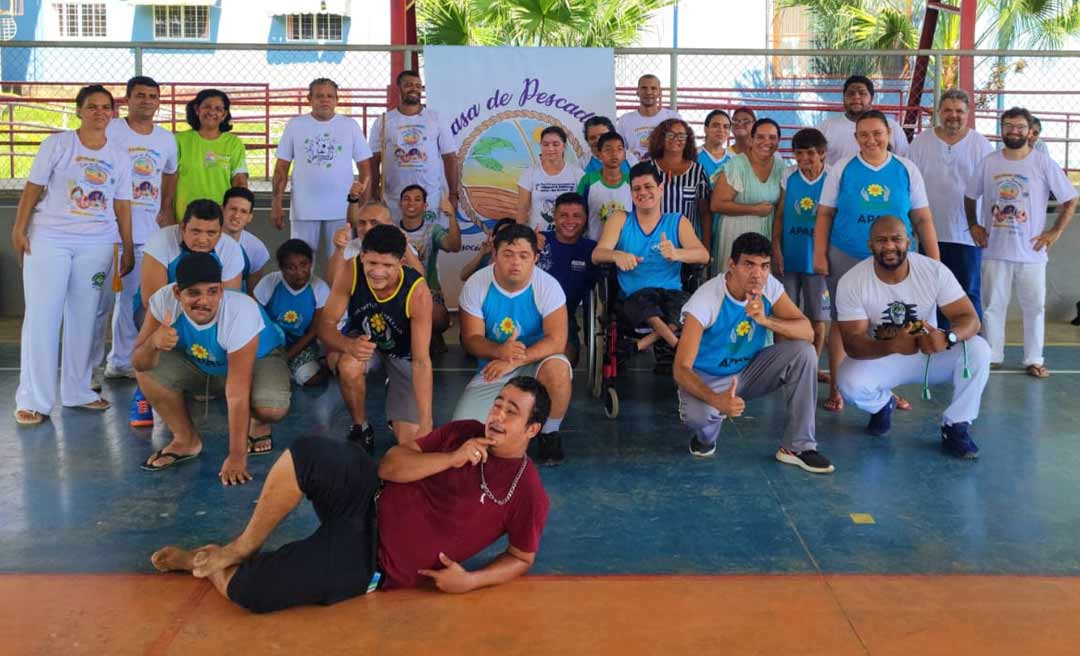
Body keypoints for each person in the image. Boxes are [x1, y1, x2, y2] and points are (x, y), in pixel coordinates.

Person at [149, 376, 551, 614]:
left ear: (532, 430)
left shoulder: (527, 492)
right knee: (310, 451)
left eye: (511, 411)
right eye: (497, 404)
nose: (496, 416)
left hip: (370, 559)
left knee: (250, 594)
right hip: (368, 493)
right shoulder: (463, 433)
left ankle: (206, 560)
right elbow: (391, 466)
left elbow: (521, 557)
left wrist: (472, 581)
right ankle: (241, 546)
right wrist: (450, 459)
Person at [12, 84, 134, 425]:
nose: (99, 112)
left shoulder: (119, 155)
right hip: (49, 239)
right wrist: (18, 229)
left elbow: (122, 203)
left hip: (96, 243)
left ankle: (78, 390)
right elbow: (33, 188)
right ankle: (33, 399)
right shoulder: (58, 145)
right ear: (78, 110)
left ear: (113, 113)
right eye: (92, 106)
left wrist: (127, 245)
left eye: (106, 107)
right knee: (43, 316)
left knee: (85, 315)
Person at [675, 232, 834, 473]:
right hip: (708, 378)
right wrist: (717, 400)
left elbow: (807, 332)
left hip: (749, 371)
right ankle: (706, 437)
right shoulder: (706, 299)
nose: (757, 274)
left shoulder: (769, 286)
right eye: (748, 264)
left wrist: (766, 320)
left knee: (804, 352)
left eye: (764, 266)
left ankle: (798, 446)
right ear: (731, 265)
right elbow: (681, 368)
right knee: (699, 418)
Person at [813, 109, 939, 413]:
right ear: (855, 138)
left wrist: (935, 261)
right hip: (846, 254)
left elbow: (921, 217)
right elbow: (825, 214)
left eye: (877, 133)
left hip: (892, 261)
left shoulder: (906, 169)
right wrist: (819, 253)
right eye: (864, 134)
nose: (871, 139)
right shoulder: (841, 169)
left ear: (889, 134)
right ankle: (838, 387)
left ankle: (883, 391)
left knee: (889, 324)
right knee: (845, 325)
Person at [835, 216, 990, 459]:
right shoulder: (852, 281)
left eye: (896, 239)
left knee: (979, 349)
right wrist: (892, 345)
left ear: (908, 241)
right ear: (870, 245)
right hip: (887, 354)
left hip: (931, 352)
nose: (889, 246)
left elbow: (970, 319)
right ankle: (882, 405)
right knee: (848, 381)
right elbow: (853, 343)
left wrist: (947, 337)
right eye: (881, 240)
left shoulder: (933, 270)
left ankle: (956, 426)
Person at [134, 253, 290, 481]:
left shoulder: (240, 311)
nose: (204, 301)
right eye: (193, 293)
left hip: (259, 359)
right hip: (209, 364)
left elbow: (237, 392)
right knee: (149, 367)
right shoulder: (163, 301)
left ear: (221, 290)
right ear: (177, 292)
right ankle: (185, 439)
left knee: (271, 408)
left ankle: (257, 420)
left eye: (212, 291)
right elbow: (138, 362)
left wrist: (237, 456)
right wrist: (153, 343)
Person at [965, 107, 1078, 378]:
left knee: (1034, 308)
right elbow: (969, 196)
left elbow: (1070, 199)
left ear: (1030, 131)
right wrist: (973, 225)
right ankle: (992, 356)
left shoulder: (1042, 163)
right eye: (1008, 126)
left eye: (1019, 126)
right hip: (994, 250)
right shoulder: (989, 162)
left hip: (1032, 252)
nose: (1013, 131)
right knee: (993, 306)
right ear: (1001, 129)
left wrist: (1054, 233)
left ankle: (1033, 359)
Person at [454, 224, 571, 466]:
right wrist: (500, 352)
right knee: (462, 435)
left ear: (535, 258)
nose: (515, 262)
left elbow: (558, 341)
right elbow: (470, 340)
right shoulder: (477, 284)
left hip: (536, 363)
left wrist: (516, 359)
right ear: (494, 255)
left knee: (559, 369)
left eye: (524, 255)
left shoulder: (548, 286)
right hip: (493, 368)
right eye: (508, 254)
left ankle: (549, 432)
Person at [129, 199, 246, 427]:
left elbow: (229, 302)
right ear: (182, 228)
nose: (203, 239)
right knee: (150, 338)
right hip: (165, 311)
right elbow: (151, 299)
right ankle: (143, 391)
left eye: (211, 233)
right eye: (195, 231)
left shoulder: (231, 249)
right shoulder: (160, 241)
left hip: (205, 313)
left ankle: (203, 377)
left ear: (220, 232)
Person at [319, 224, 434, 451]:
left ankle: (398, 392)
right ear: (362, 256)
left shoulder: (417, 291)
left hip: (404, 354)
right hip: (364, 342)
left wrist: (426, 420)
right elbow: (325, 325)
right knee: (348, 365)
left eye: (387, 265)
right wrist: (348, 344)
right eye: (372, 263)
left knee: (412, 442)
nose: (377, 272)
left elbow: (422, 361)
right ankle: (360, 426)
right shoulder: (351, 270)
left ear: (401, 261)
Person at [100, 76, 178, 381]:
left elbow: (171, 173)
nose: (147, 101)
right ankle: (91, 369)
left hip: (147, 232)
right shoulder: (111, 129)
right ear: (127, 99)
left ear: (158, 102)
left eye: (152, 96)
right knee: (99, 303)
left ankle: (123, 360)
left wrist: (166, 206)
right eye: (140, 95)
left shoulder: (165, 138)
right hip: (107, 229)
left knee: (133, 298)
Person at [592, 162, 709, 361]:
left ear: (661, 189)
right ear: (631, 193)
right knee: (645, 305)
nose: (643, 193)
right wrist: (616, 255)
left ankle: (641, 344)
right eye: (637, 188)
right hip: (634, 295)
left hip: (671, 292)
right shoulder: (620, 219)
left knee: (688, 309)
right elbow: (597, 254)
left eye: (649, 187)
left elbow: (703, 255)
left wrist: (677, 253)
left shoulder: (677, 221)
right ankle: (679, 349)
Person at [909, 89, 993, 327]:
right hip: (929, 234)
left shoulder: (980, 144)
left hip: (967, 235)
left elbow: (989, 190)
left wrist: (981, 225)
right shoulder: (921, 142)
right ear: (939, 112)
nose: (953, 115)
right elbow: (909, 185)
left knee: (968, 292)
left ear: (968, 113)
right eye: (947, 110)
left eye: (959, 111)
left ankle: (971, 348)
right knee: (931, 292)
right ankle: (935, 347)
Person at [271, 78, 372, 261]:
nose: (325, 100)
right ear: (309, 99)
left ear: (337, 100)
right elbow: (281, 169)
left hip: (343, 209)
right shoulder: (295, 125)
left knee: (343, 261)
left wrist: (362, 206)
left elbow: (365, 169)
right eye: (319, 96)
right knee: (300, 261)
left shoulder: (350, 125)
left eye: (329, 96)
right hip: (304, 208)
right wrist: (276, 203)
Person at [369, 70, 458, 223]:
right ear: (399, 88)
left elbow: (449, 157)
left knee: (428, 243)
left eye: (418, 85)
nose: (414, 89)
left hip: (430, 198)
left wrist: (453, 194)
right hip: (394, 199)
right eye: (408, 85)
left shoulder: (435, 118)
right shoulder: (383, 120)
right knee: (394, 244)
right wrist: (374, 191)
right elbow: (374, 159)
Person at [772, 128, 830, 359]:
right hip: (790, 253)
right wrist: (776, 246)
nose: (804, 159)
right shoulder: (789, 175)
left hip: (818, 256)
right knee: (785, 313)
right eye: (799, 154)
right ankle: (784, 363)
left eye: (810, 153)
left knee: (816, 315)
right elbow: (780, 214)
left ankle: (813, 364)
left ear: (823, 153)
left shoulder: (832, 176)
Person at [712, 118, 786, 276]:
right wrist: (754, 210)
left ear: (778, 141)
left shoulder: (781, 168)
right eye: (760, 137)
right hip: (735, 235)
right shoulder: (736, 165)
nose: (766, 142)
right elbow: (717, 204)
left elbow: (780, 212)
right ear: (751, 140)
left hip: (765, 237)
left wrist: (776, 245)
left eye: (772, 137)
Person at [253, 239, 331, 387]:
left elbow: (314, 331)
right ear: (281, 268)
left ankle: (321, 364)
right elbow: (254, 317)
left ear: (311, 264)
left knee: (311, 379)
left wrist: (287, 356)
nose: (299, 272)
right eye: (291, 267)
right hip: (270, 343)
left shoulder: (319, 288)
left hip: (302, 345)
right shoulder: (270, 282)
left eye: (304, 265)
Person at [538, 193, 599, 366]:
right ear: (554, 217)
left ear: (585, 219)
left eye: (576, 216)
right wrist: (528, 248)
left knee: (564, 362)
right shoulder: (537, 241)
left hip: (563, 317)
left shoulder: (592, 250)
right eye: (563, 215)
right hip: (526, 313)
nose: (569, 221)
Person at [399, 183, 462, 351]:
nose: (411, 203)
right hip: (398, 292)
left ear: (425, 206)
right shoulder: (391, 230)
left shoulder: (433, 230)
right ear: (399, 204)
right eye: (406, 199)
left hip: (428, 291)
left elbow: (454, 246)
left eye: (417, 200)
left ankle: (432, 334)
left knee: (439, 318)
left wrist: (451, 217)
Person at [174, 89, 248, 223]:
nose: (212, 112)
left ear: (224, 114)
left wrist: (234, 212)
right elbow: (168, 180)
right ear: (197, 109)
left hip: (219, 217)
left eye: (218, 109)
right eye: (207, 107)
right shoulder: (179, 140)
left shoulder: (233, 143)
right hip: (184, 217)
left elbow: (240, 181)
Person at [817, 75, 909, 167]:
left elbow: (904, 161)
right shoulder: (826, 127)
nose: (856, 97)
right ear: (844, 98)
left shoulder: (891, 126)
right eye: (851, 94)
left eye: (862, 93)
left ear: (872, 98)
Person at [326, 200, 423, 286]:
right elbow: (333, 283)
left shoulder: (402, 247)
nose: (367, 228)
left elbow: (419, 279)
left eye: (374, 223)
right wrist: (339, 249)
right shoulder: (349, 247)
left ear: (390, 224)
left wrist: (404, 245)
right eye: (362, 223)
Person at [649, 118, 712, 250]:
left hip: (687, 244)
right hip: (653, 241)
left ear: (687, 140)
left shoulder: (697, 171)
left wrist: (706, 246)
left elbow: (705, 213)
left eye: (681, 136)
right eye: (670, 135)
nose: (676, 139)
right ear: (661, 138)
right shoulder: (648, 168)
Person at [515, 125, 584, 231]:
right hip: (538, 238)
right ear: (541, 146)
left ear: (564, 146)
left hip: (570, 236)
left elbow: (583, 209)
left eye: (556, 144)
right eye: (546, 144)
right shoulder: (529, 173)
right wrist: (519, 235)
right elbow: (522, 208)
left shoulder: (578, 174)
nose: (550, 148)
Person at [577, 131, 632, 240]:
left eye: (619, 149)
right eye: (608, 149)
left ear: (625, 154)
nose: (614, 154)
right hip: (593, 243)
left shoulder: (632, 181)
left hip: (624, 245)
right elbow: (579, 211)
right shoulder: (588, 180)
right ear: (600, 154)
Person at [616, 74, 682, 162]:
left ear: (659, 92)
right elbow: (619, 150)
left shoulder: (673, 118)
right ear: (637, 92)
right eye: (644, 88)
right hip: (636, 173)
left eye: (653, 88)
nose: (648, 92)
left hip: (664, 172)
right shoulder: (625, 120)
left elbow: (681, 147)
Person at [221, 187, 269, 293]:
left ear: (249, 217)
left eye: (243, 211)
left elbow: (253, 295)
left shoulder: (256, 249)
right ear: (222, 209)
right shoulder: (204, 240)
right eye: (233, 209)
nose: (236, 215)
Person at [458, 217, 518, 282]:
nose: (505, 237)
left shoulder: (519, 260)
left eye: (509, 233)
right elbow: (463, 276)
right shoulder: (487, 257)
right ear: (494, 237)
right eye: (501, 233)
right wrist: (481, 254)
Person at [698, 109, 732, 183]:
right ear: (706, 129)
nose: (721, 130)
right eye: (716, 125)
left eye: (726, 127)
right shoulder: (693, 156)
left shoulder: (733, 159)